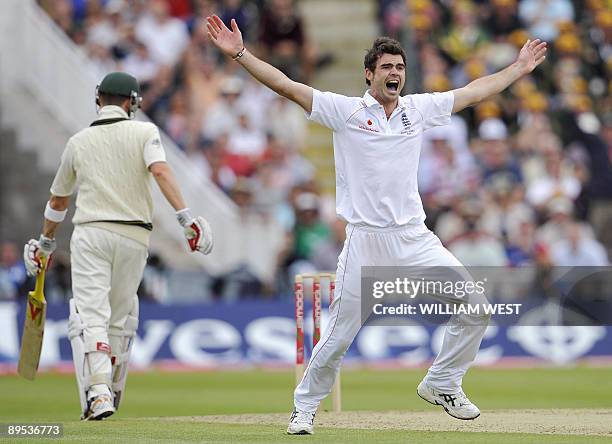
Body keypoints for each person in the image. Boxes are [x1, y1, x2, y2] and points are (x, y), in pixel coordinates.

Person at [206, 14, 546, 434]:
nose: (395, 73)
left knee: (475, 308)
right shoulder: (344, 111)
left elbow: (474, 92)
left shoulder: (417, 110)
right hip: (366, 242)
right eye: (386, 67)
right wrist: (241, 54)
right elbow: (286, 86)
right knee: (338, 336)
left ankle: (443, 381)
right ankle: (304, 408)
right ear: (369, 74)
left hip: (414, 238)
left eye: (400, 67)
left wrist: (518, 68)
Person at [22, 72, 213, 421]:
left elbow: (57, 202)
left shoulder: (77, 141)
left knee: (91, 314)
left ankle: (98, 392)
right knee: (118, 317)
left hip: (91, 234)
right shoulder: (145, 132)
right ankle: (105, 386)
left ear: (99, 99)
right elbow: (161, 172)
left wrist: (46, 242)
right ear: (133, 102)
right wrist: (186, 218)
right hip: (134, 237)